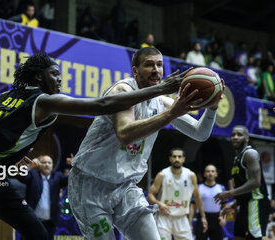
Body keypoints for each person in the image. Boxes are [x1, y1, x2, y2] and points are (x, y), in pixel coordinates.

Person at [0, 52, 189, 240]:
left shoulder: (7, 95)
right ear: (38, 78)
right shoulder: (44, 100)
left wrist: (5, 154)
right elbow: (101, 105)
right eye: (54, 74)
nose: (59, 79)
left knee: (38, 233)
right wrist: (160, 89)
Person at [68, 47, 224, 240]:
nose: (156, 70)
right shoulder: (123, 90)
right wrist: (171, 114)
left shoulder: (161, 102)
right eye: (149, 64)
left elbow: (200, 134)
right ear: (135, 71)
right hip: (90, 184)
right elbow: (125, 133)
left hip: (125, 187)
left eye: (159, 65)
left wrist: (213, 107)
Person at [214, 125, 270, 240]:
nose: (235, 137)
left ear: (247, 138)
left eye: (239, 135)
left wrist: (230, 193)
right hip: (244, 204)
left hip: (256, 201)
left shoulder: (250, 154)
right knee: (238, 236)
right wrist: (232, 205)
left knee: (256, 237)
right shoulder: (236, 159)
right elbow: (243, 189)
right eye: (233, 135)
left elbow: (255, 182)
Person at [148, 148, 208, 240]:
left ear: (183, 159)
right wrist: (159, 204)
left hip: (182, 217)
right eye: (174, 156)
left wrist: (203, 216)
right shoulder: (162, 175)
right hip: (164, 217)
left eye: (179, 157)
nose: (177, 159)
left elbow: (197, 197)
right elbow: (150, 195)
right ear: (170, 159)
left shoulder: (190, 175)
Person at [18, 154, 72, 240]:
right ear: (39, 165)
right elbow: (20, 176)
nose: (47, 164)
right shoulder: (33, 175)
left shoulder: (57, 176)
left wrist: (74, 166)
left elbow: (70, 179)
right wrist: (29, 167)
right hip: (32, 221)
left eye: (49, 163)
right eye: (44, 162)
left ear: (52, 165)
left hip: (49, 223)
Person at [190, 164, 226, 240]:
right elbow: (192, 206)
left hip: (217, 219)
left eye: (212, 171)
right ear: (204, 174)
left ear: (216, 174)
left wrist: (224, 217)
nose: (210, 173)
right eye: (208, 171)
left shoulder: (221, 188)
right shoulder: (198, 188)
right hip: (202, 219)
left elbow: (225, 205)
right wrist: (189, 222)